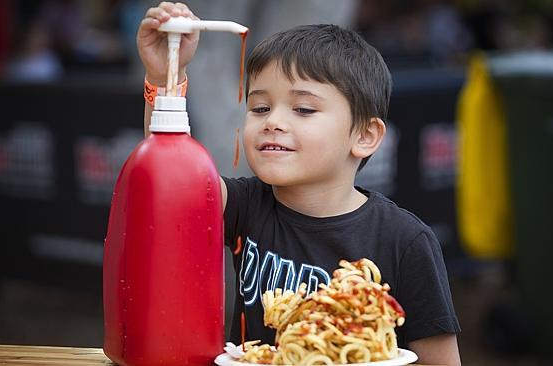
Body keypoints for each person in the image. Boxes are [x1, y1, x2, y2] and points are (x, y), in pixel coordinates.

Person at [137, 2, 461, 365]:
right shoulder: (247, 205)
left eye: (303, 109)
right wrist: (166, 73)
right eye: (259, 108)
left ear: (365, 136)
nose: (272, 121)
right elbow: (175, 179)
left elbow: (440, 360)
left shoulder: (405, 241)